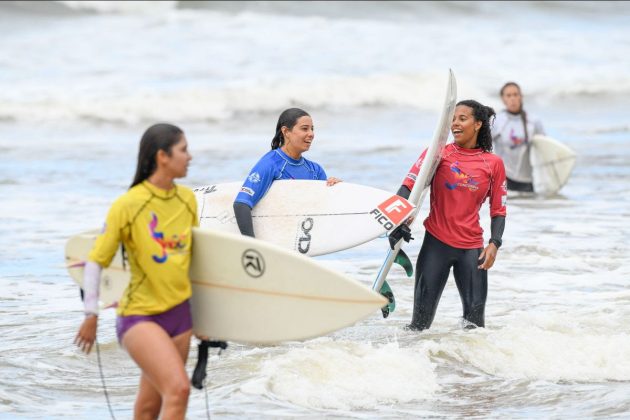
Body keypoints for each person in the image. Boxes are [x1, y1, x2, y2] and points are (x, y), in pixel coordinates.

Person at [74, 123, 198, 419]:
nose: (190, 157)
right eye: (183, 150)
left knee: (148, 407)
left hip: (180, 316)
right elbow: (96, 260)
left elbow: (195, 262)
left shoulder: (188, 200)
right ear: (162, 157)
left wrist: (206, 318)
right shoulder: (129, 205)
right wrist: (91, 314)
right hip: (141, 315)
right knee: (178, 390)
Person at [392, 100, 507, 331]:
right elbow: (409, 186)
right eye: (453, 119)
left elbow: (499, 209)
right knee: (419, 326)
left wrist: (494, 244)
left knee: (475, 329)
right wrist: (397, 221)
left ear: (478, 125)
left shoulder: (493, 164)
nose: (455, 124)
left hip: (472, 250)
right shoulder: (438, 154)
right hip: (436, 245)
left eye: (462, 119)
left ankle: (467, 367)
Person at [233, 108, 341, 237]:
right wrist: (252, 247)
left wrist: (333, 188)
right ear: (286, 132)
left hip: (301, 239)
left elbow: (323, 210)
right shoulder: (271, 163)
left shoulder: (315, 170)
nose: (311, 133)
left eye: (312, 129)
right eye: (305, 129)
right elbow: (241, 204)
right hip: (277, 240)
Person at [492, 82, 545, 193]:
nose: (513, 98)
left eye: (516, 94)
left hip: (527, 180)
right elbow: (484, 147)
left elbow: (543, 149)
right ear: (503, 99)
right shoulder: (497, 121)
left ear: (521, 97)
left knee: (526, 209)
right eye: (509, 95)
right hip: (504, 179)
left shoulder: (533, 121)